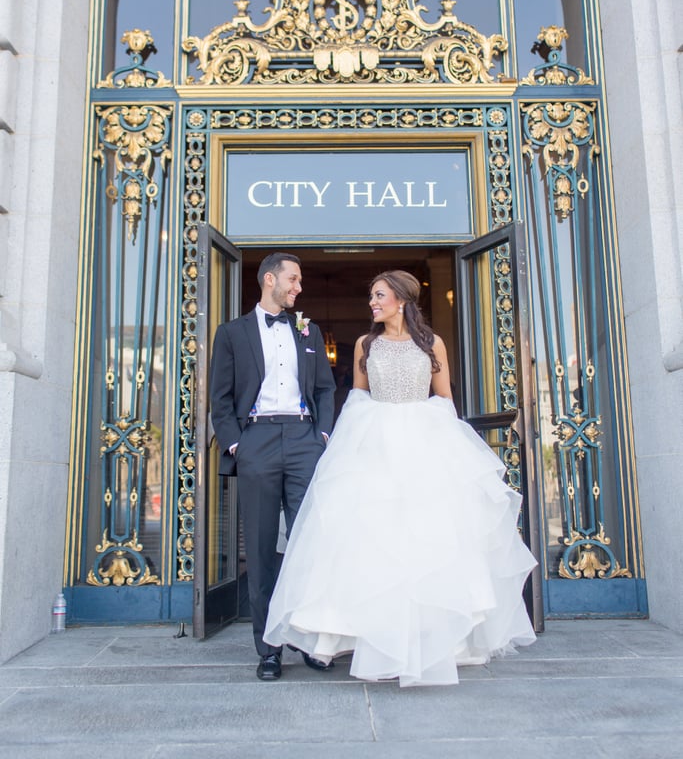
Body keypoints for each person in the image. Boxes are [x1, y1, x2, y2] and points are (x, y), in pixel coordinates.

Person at [264, 270, 537, 687]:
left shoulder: (432, 344)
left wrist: (443, 447)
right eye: (371, 295)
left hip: (423, 443)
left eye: (379, 295)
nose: (372, 303)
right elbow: (357, 396)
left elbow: (443, 400)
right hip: (373, 442)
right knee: (368, 540)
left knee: (427, 538)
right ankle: (359, 634)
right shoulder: (364, 343)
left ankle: (438, 640)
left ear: (403, 300)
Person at [209, 251, 336, 681]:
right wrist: (235, 446)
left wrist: (320, 437)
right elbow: (220, 399)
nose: (299, 288)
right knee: (262, 551)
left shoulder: (309, 330)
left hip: (303, 440)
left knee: (311, 545)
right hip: (256, 441)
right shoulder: (231, 333)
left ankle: (315, 642)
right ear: (269, 280)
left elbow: (324, 388)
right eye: (293, 280)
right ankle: (269, 649)